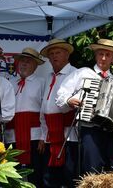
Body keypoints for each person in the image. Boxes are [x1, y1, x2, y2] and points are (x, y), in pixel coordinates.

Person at [56, 38, 113, 176]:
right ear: (95, 55)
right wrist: (69, 100)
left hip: (111, 132)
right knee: (93, 169)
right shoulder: (83, 73)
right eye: (100, 54)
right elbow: (61, 95)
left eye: (108, 55)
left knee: (112, 172)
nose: (103, 58)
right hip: (89, 128)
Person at [5, 47, 45, 187]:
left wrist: (43, 137)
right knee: (12, 176)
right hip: (12, 136)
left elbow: (44, 110)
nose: (23, 64)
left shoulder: (41, 83)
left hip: (34, 136)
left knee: (36, 175)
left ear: (35, 65)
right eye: (22, 61)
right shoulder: (9, 83)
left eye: (28, 62)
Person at [39, 39, 77, 188]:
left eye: (58, 53)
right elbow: (44, 108)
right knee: (49, 178)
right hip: (50, 135)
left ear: (67, 55)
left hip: (68, 135)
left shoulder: (75, 73)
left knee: (69, 176)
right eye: (52, 54)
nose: (54, 56)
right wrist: (43, 135)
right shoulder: (48, 77)